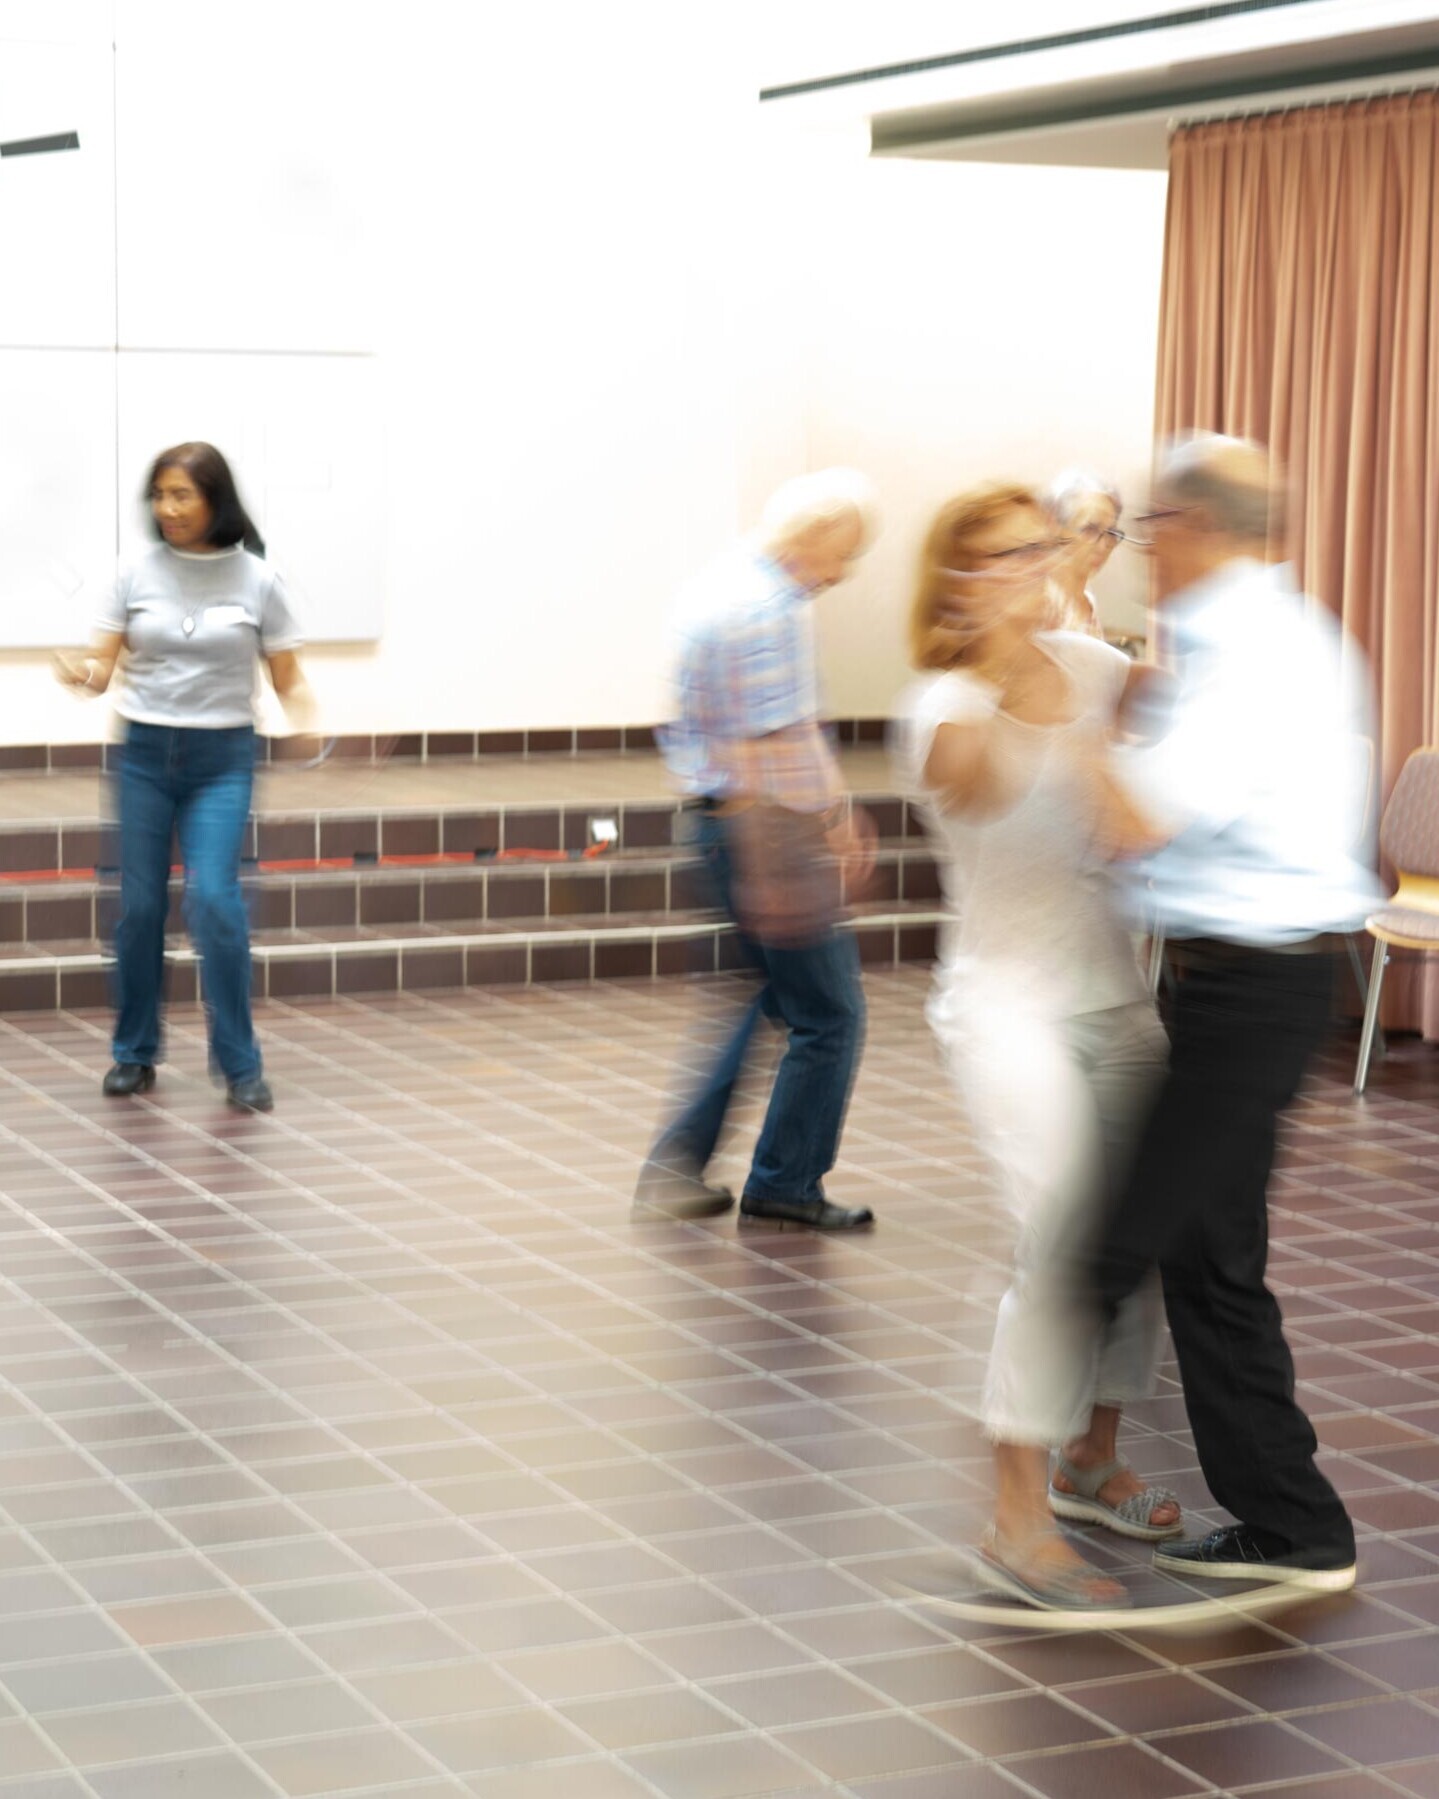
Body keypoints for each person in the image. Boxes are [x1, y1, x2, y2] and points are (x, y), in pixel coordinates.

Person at [1093, 434, 1379, 1593]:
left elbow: (1133, 821)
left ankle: (1278, 1520)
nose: (1142, 550)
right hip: (1243, 978)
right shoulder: (1254, 638)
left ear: (1199, 526)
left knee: (1116, 1245)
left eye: (1151, 526)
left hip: (1253, 984)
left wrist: (1049, 703)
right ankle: (1289, 1520)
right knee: (1206, 1258)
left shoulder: (1250, 654)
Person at [894, 482, 1180, 1611]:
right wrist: (1017, 666)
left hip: (1112, 994)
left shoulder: (1093, 666)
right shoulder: (942, 701)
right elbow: (969, 783)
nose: (1032, 565)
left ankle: (1090, 1458)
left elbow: (1177, 711)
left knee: (1135, 1236)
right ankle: (1013, 1517)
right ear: (957, 579)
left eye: (1040, 547)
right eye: (1005, 554)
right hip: (1004, 1006)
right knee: (1056, 1233)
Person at [636, 469, 879, 1231]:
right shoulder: (766, 608)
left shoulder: (719, 585)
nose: (842, 572)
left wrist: (831, 810)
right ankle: (785, 1181)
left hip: (719, 824)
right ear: (815, 533)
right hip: (765, 832)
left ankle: (677, 1165)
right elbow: (762, 748)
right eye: (845, 552)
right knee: (830, 1015)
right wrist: (779, 861)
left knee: (764, 995)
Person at [54, 442, 314, 1112]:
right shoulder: (132, 571)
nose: (167, 509)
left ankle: (240, 1063)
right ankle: (134, 1052)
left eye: (182, 495)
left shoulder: (258, 579)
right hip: (144, 755)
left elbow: (287, 676)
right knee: (140, 907)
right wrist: (82, 674)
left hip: (222, 760)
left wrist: (307, 725)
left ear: (214, 500)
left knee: (215, 902)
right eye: (159, 495)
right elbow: (102, 668)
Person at [1045, 470, 1125, 637]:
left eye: (1111, 533)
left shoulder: (1088, 602)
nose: (1103, 546)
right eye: (1090, 530)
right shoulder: (1043, 605)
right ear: (1056, 529)